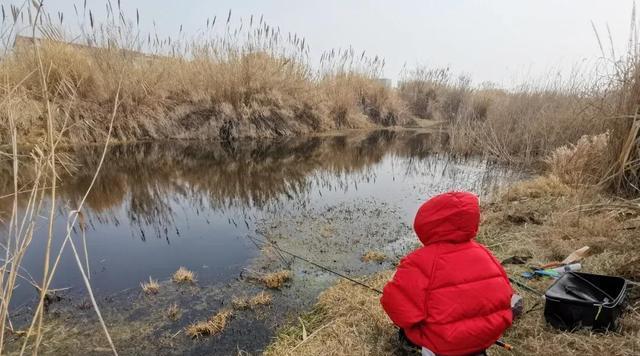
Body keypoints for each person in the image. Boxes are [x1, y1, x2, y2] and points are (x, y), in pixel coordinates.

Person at [381, 191, 513, 356]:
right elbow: (506, 298)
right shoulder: (486, 254)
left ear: (426, 223)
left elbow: (399, 310)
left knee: (406, 331)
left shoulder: (419, 261)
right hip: (485, 338)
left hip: (442, 344)